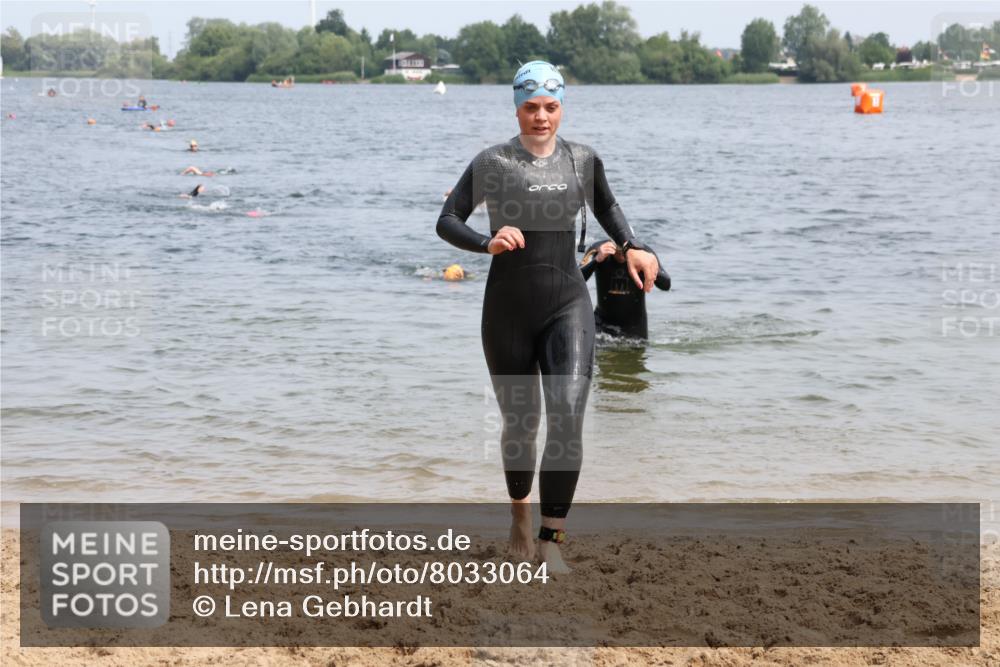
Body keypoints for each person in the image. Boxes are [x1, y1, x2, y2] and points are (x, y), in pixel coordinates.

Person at [436, 61, 660, 573]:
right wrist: (486, 242)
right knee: (521, 423)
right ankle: (519, 514)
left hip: (567, 303)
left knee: (566, 416)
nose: (541, 117)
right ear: (517, 107)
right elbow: (447, 220)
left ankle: (552, 537)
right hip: (508, 308)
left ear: (562, 107)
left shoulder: (583, 160)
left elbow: (610, 210)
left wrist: (635, 247)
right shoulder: (492, 161)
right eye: (531, 107)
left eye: (551, 107)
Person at [580, 240, 671, 340]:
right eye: (618, 251)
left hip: (635, 327)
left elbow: (666, 285)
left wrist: (648, 267)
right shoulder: (598, 248)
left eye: (625, 251)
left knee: (634, 354)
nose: (622, 256)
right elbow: (575, 280)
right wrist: (596, 260)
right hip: (602, 324)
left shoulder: (643, 252)